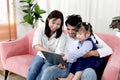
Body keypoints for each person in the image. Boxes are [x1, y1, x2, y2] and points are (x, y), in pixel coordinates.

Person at [40, 15, 112, 80]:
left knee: (88, 71)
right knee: (48, 70)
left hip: (86, 64)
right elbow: (62, 51)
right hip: (69, 64)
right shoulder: (65, 37)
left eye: (73, 30)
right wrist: (61, 60)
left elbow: (109, 50)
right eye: (68, 29)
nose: (70, 32)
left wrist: (91, 53)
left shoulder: (89, 37)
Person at [26, 10, 66, 80]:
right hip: (40, 55)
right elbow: (35, 45)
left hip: (52, 59)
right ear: (48, 20)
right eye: (53, 22)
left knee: (44, 71)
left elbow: (59, 51)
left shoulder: (62, 35)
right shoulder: (40, 29)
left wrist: (53, 56)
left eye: (58, 24)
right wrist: (47, 52)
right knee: (33, 69)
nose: (55, 26)